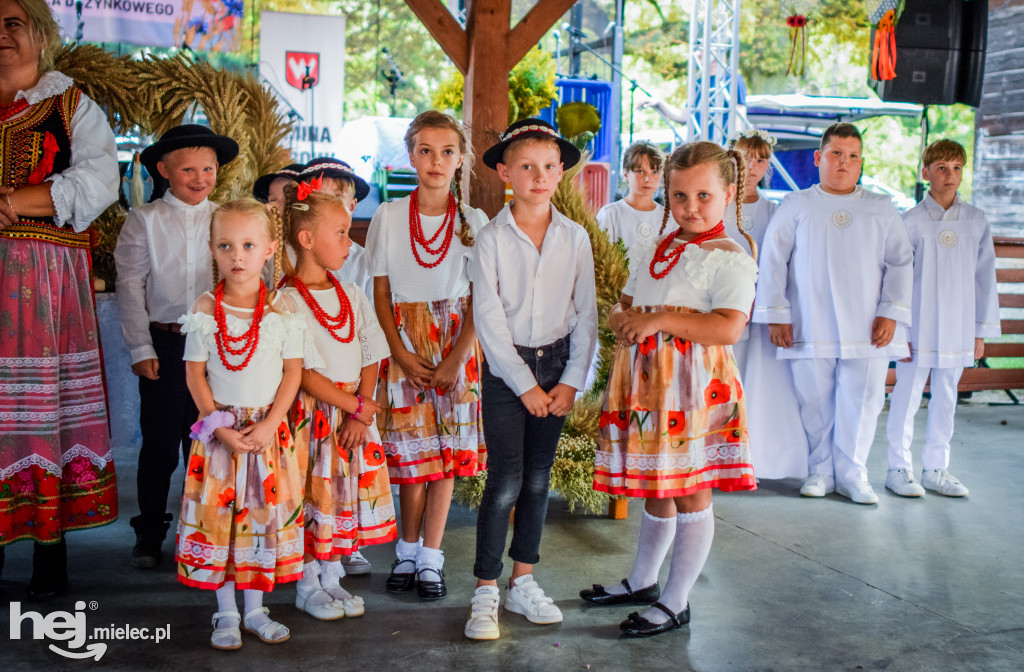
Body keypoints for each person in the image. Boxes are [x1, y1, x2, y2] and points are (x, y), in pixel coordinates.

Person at [585, 142, 757, 637]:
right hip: (649, 388)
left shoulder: (729, 256)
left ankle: (677, 599)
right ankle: (643, 580)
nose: (690, 207)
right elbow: (627, 300)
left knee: (689, 491)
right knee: (658, 487)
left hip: (693, 391)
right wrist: (622, 317)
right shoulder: (662, 247)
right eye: (680, 196)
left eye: (704, 195)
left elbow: (728, 328)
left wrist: (659, 318)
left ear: (729, 193)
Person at [0, 0, 119, 601]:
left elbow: (101, 180)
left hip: (43, 284)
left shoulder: (72, 106)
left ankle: (51, 546)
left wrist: (16, 203)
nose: (0, 36)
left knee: (44, 409)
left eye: (12, 24)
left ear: (41, 37)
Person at [464, 118, 598, 640]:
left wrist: (569, 383)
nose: (538, 176)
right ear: (505, 173)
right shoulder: (492, 238)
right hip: (508, 371)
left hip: (558, 364)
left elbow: (585, 314)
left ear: (561, 172)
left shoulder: (576, 237)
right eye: (526, 167)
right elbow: (489, 319)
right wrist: (525, 385)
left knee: (539, 482)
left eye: (548, 166)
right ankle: (485, 592)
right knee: (504, 483)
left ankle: (524, 582)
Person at [753, 122, 913, 505]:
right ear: (818, 157)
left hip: (868, 324)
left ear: (861, 162)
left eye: (853, 156)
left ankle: (854, 473)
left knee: (865, 398)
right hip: (810, 320)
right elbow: (773, 261)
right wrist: (777, 314)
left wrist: (891, 311)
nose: (845, 162)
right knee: (814, 397)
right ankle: (820, 469)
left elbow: (901, 262)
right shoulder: (797, 205)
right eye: (837, 154)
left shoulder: (880, 207)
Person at [366, 110, 488, 601]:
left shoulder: (473, 220)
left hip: (458, 346)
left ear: (461, 160)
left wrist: (459, 356)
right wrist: (398, 350)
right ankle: (406, 549)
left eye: (447, 152)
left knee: (446, 460)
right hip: (404, 342)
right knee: (413, 457)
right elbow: (379, 292)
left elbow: (482, 296)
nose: (436, 161)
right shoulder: (389, 216)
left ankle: (431, 558)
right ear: (410, 155)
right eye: (425, 151)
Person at [176, 199, 304, 650]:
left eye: (249, 245)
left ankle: (255, 610)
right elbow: (195, 373)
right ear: (212, 248)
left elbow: (293, 372)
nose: (237, 256)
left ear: (270, 248)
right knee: (221, 524)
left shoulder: (283, 307)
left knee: (259, 521)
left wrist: (272, 423)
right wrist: (218, 427)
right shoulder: (206, 307)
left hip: (266, 435)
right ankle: (226, 612)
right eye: (226, 245)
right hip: (220, 436)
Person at [115, 124, 239, 567]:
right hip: (166, 347)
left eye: (208, 168)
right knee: (161, 443)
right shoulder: (144, 220)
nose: (200, 177)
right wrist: (140, 348)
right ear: (164, 169)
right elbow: (130, 286)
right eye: (188, 168)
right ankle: (150, 530)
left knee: (209, 440)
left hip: (218, 350)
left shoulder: (226, 218)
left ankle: (204, 528)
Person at [278, 183, 396, 620]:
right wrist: (355, 408)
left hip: (353, 416)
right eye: (342, 233)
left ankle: (333, 577)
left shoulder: (351, 293)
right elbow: (304, 373)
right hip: (314, 419)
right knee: (313, 495)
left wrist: (363, 408)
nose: (351, 243)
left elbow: (371, 351)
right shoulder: (285, 300)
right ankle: (308, 584)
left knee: (341, 496)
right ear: (306, 239)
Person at [884, 139, 1000, 498]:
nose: (950, 175)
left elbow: (985, 278)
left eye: (956, 168)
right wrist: (899, 330)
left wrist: (980, 330)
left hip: (959, 325)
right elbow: (897, 278)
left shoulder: (976, 221)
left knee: (947, 394)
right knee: (907, 393)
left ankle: (936, 467)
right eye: (941, 168)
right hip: (917, 325)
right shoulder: (910, 222)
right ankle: (897, 467)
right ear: (925, 172)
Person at [723, 129, 809, 480]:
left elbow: (784, 264)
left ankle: (759, 457)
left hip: (762, 311)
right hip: (724, 308)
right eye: (746, 157)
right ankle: (723, 456)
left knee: (761, 382)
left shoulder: (776, 210)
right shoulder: (718, 205)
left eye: (760, 159)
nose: (753, 166)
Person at [298, 158, 375, 301]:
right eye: (318, 198)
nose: (326, 207)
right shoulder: (283, 257)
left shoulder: (365, 265)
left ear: (351, 207)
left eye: (336, 198)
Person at [596, 141, 666, 270]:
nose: (647, 179)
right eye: (640, 171)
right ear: (625, 174)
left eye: (654, 172)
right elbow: (601, 261)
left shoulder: (669, 217)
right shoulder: (610, 214)